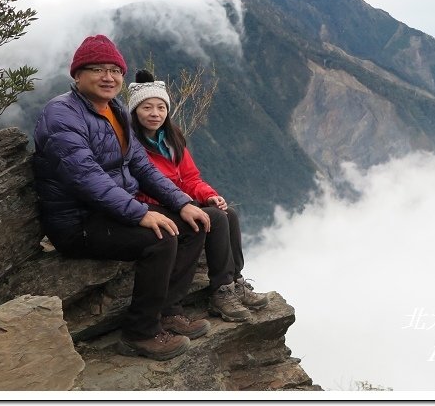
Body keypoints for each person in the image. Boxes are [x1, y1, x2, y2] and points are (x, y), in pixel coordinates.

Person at [33, 35, 213, 361]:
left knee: (197, 222)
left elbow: (143, 167)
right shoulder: (61, 115)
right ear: (77, 75)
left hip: (113, 210)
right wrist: (139, 213)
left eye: (115, 70)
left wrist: (182, 202)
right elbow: (86, 177)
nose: (108, 77)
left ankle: (168, 312)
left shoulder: (115, 109)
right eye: (97, 69)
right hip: (78, 221)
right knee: (158, 239)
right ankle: (139, 334)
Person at [127, 69, 269, 323]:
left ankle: (235, 282)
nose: (155, 113)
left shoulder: (172, 139)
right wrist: (185, 203)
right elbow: (140, 186)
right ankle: (221, 291)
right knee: (213, 218)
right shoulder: (132, 145)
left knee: (228, 213)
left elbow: (190, 178)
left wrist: (209, 195)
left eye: (161, 107)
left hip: (177, 199)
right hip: (152, 204)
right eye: (147, 107)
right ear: (135, 111)